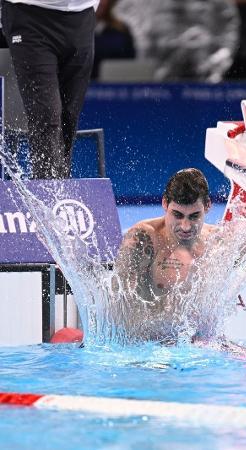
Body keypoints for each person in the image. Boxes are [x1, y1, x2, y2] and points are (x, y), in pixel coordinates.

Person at [113, 168, 217, 343]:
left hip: (196, 351)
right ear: (164, 203)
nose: (185, 226)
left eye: (194, 216)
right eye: (177, 215)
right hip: (147, 349)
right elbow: (117, 304)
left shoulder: (217, 242)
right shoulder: (144, 239)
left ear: (207, 206)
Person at [1, 0, 99, 179]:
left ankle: (60, 187)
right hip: (29, 15)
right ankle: (48, 191)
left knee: (68, 119)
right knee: (46, 116)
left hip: (81, 16)